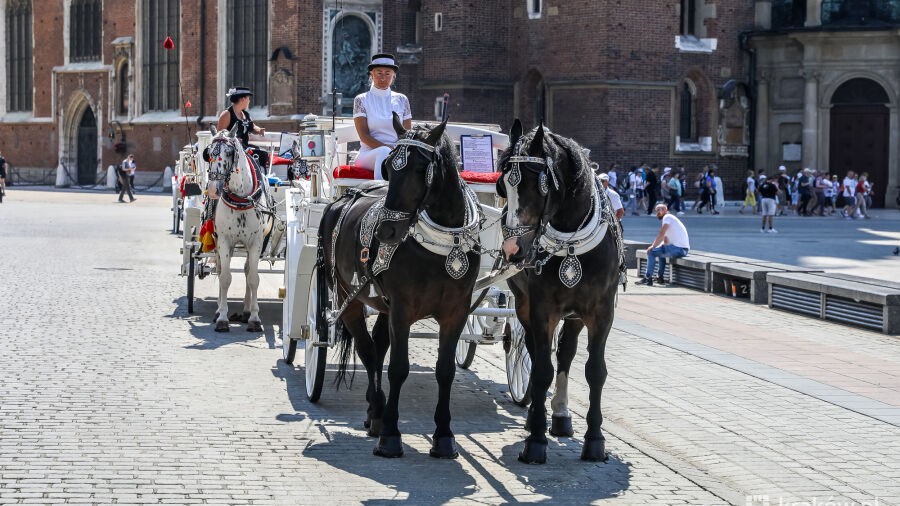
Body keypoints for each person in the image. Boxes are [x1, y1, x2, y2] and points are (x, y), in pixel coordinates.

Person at [353, 53, 412, 180]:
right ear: (371, 74)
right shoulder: (361, 100)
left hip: (398, 153)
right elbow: (364, 136)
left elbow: (407, 134)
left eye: (387, 73)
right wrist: (388, 149)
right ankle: (382, 193)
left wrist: (398, 151)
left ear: (393, 75)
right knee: (383, 152)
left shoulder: (402, 100)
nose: (383, 77)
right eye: (379, 73)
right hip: (369, 154)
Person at [636, 204, 690, 286]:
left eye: (659, 210)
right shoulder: (670, 219)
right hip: (682, 249)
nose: (657, 212)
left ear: (665, 210)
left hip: (679, 249)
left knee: (651, 252)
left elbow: (661, 233)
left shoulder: (667, 217)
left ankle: (647, 278)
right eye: (656, 210)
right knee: (661, 252)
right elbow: (665, 240)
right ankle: (659, 277)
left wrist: (653, 246)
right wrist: (658, 246)